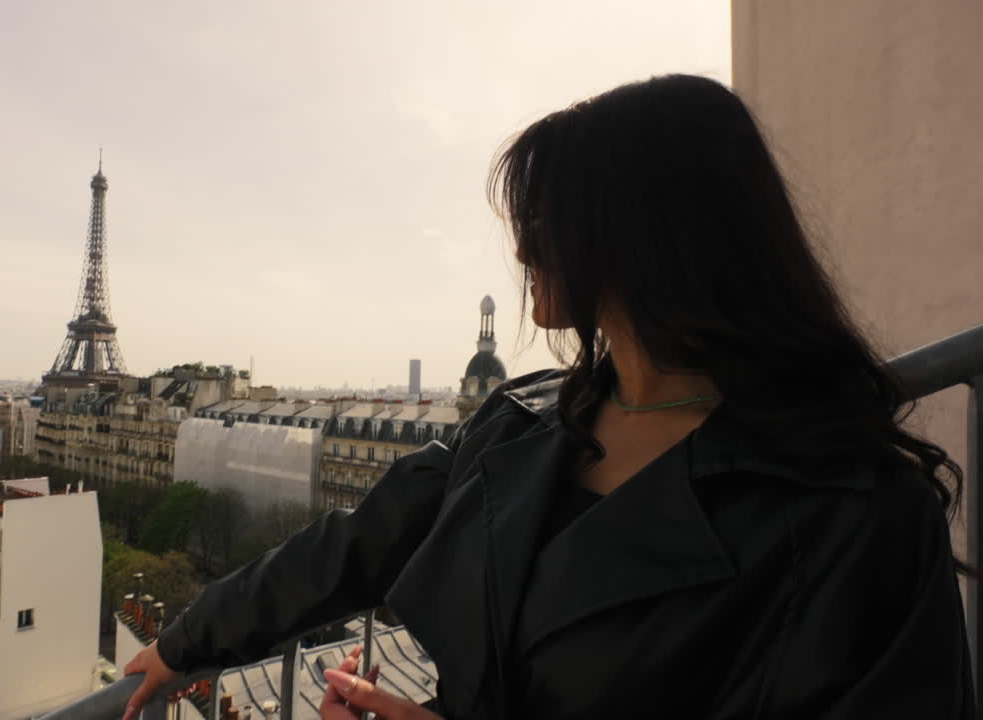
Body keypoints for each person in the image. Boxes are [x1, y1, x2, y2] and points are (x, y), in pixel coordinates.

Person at [122, 74, 976, 719]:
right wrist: (185, 640)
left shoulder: (857, 512)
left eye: (543, 220)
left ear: (638, 234)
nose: (524, 249)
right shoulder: (522, 418)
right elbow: (356, 542)